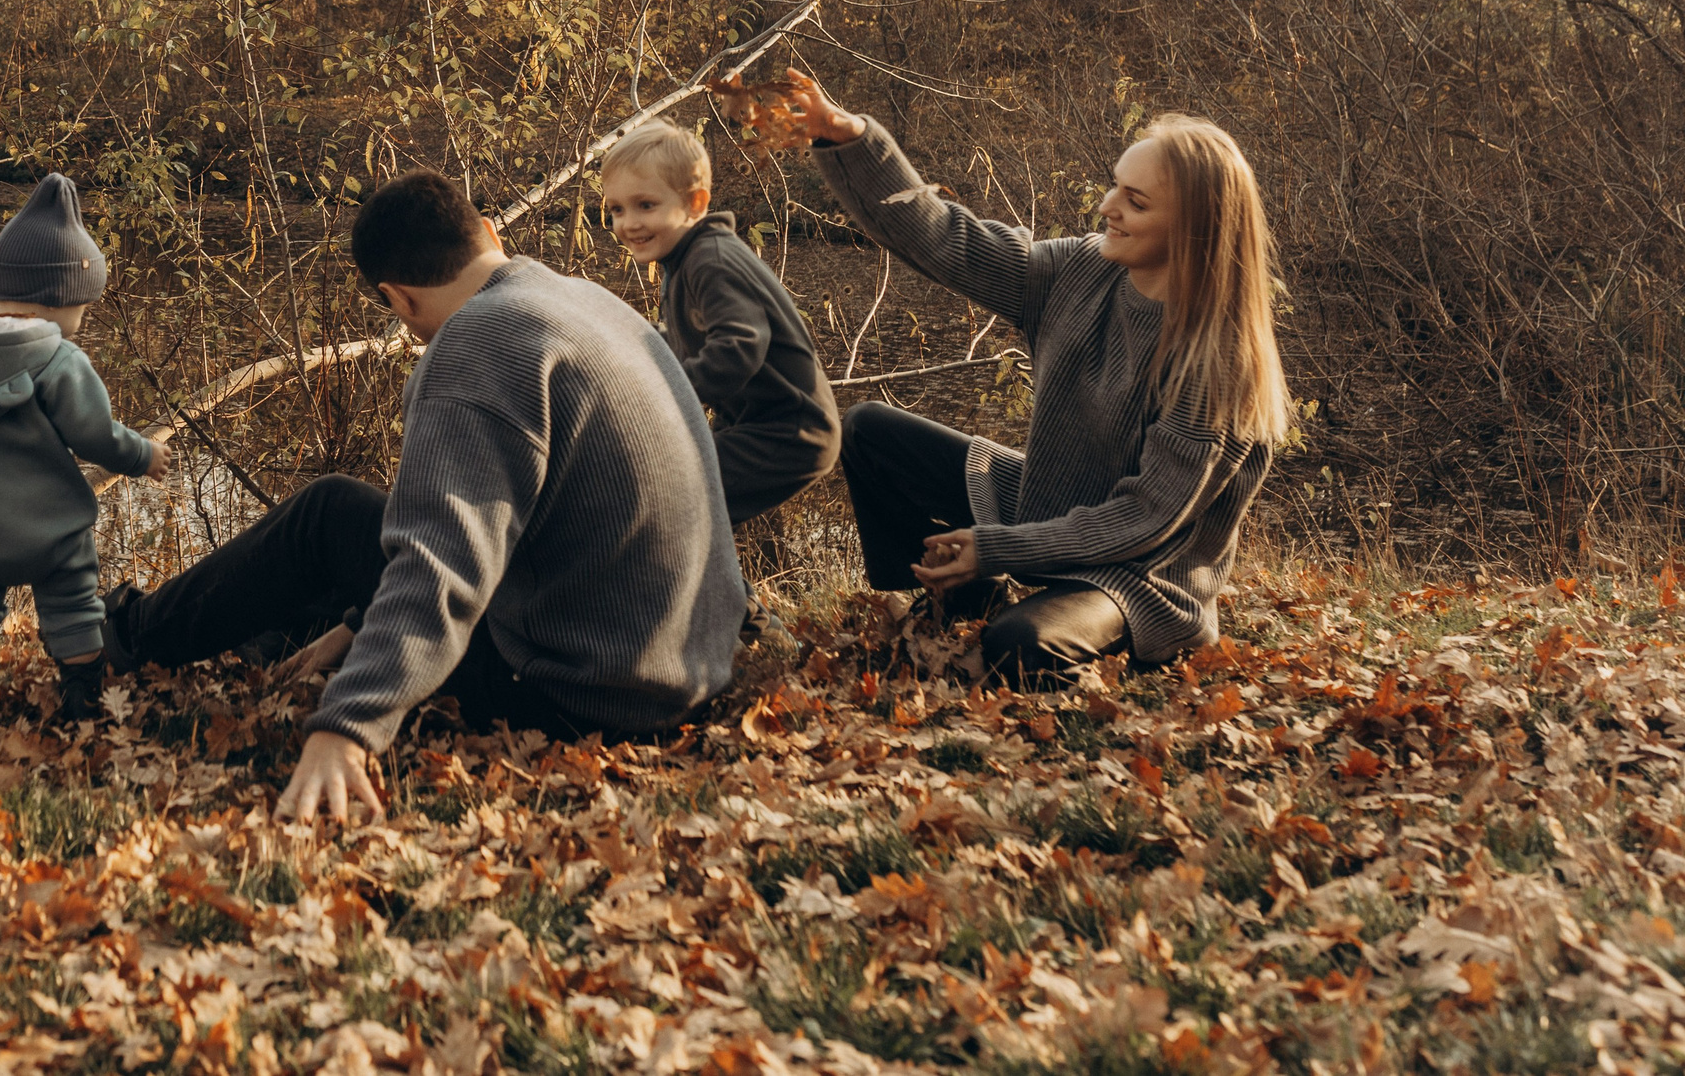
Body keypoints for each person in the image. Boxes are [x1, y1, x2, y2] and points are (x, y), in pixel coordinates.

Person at [101, 170, 746, 823]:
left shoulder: (477, 343)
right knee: (342, 566)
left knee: (329, 514)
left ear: (397, 298)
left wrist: (349, 724)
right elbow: (513, 524)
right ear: (488, 233)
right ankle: (281, 640)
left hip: (581, 697)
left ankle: (123, 635)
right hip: (682, 666)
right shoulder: (584, 301)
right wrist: (355, 624)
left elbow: (444, 557)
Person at [784, 74, 1289, 685]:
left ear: (1196, 228)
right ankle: (948, 602)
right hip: (1050, 505)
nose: (1108, 206)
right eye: (1114, 186)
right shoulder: (1081, 269)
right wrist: (853, 140)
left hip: (1140, 573)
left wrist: (998, 549)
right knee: (868, 429)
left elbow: (1143, 520)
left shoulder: (1217, 361)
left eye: (1136, 201)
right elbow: (948, 240)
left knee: (1018, 644)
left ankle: (1020, 612)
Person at [0, 174, 171, 722]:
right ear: (60, 297)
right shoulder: (62, 361)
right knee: (74, 603)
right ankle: (81, 699)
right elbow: (96, 435)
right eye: (82, 306)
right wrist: (143, 455)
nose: (81, 320)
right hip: (53, 533)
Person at [600, 120, 840, 530]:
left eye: (646, 205)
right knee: (688, 508)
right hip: (755, 425)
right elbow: (679, 347)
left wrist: (658, 395)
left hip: (790, 432)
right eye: (617, 210)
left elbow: (739, 346)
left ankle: (719, 596)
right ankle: (727, 594)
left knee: (670, 495)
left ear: (694, 204)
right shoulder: (681, 261)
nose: (628, 224)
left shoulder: (712, 260)